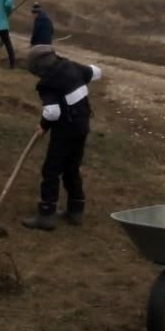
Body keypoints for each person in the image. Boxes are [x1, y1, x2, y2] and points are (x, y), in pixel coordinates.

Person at [22, 44, 102, 230]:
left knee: (51, 169)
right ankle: (76, 210)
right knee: (71, 167)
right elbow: (97, 72)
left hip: (65, 130)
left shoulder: (47, 83)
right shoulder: (72, 66)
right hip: (82, 126)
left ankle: (46, 214)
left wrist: (43, 125)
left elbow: (52, 112)